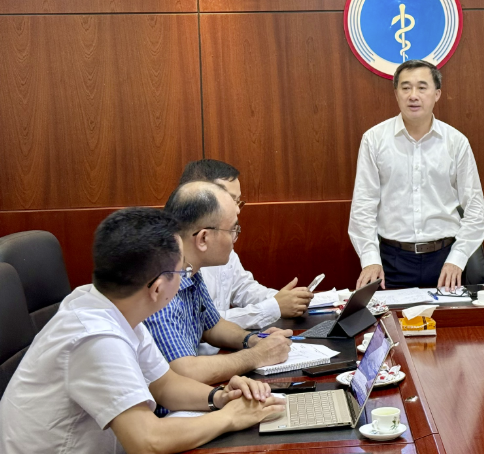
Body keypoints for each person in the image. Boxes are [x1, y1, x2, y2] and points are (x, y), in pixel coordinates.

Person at [0, 208, 282, 454]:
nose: (186, 278)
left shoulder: (115, 306)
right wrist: (230, 417)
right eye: (182, 272)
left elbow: (165, 385)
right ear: (158, 288)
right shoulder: (94, 337)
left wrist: (220, 397)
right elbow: (147, 441)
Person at [349, 59, 484, 291]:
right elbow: (363, 206)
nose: (413, 95)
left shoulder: (456, 142)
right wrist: (370, 259)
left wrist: (458, 258)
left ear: (437, 94)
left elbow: (475, 208)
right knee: (392, 316)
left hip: (446, 261)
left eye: (422, 87)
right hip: (392, 262)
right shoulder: (374, 140)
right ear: (396, 94)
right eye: (406, 88)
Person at [144, 181, 293, 387]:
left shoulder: (190, 269)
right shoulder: (161, 282)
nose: (235, 238)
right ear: (203, 238)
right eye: (233, 230)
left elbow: (212, 326)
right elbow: (185, 371)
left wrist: (253, 340)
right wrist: (258, 355)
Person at [177, 159, 313, 355]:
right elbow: (182, 366)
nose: (237, 209)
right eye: (230, 200)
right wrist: (272, 310)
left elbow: (213, 321)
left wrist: (286, 301)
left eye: (238, 201)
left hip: (220, 355)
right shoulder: (170, 271)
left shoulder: (201, 265)